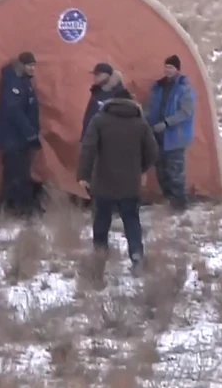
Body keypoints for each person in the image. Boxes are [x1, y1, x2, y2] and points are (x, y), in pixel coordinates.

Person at [77, 88, 159, 276]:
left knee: (101, 219)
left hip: (103, 182)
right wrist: (142, 168)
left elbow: (88, 148)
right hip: (130, 183)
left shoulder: (99, 120)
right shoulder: (140, 123)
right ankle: (136, 255)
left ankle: (100, 256)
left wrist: (83, 175)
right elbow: (153, 151)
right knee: (131, 220)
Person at [0, 51, 41, 216]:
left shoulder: (24, 82)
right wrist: (30, 133)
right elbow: (14, 111)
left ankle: (19, 206)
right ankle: (12, 207)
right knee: (14, 173)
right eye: (30, 65)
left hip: (20, 137)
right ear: (21, 64)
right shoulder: (12, 83)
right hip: (12, 137)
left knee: (21, 172)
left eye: (34, 65)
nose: (33, 68)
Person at [146, 55, 195, 211]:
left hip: (175, 137)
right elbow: (152, 107)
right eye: (166, 66)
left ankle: (180, 205)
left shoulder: (184, 89)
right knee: (161, 171)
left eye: (171, 67)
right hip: (158, 135)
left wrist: (167, 123)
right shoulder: (158, 87)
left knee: (175, 173)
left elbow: (186, 112)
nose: (168, 70)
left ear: (177, 69)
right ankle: (169, 200)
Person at [81, 63, 126, 142]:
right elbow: (89, 116)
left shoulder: (119, 94)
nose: (95, 77)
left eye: (98, 74)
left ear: (107, 75)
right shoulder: (97, 92)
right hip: (92, 140)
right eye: (94, 74)